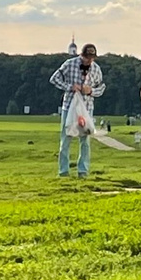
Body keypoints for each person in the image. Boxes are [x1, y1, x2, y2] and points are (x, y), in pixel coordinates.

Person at [50, 43, 104, 179]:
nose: (89, 61)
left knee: (85, 140)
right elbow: (54, 79)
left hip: (87, 108)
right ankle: (63, 172)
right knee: (66, 138)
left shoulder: (96, 69)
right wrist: (69, 87)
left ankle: (83, 171)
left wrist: (91, 91)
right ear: (82, 55)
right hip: (69, 107)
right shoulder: (70, 64)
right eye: (87, 58)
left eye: (92, 58)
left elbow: (101, 88)